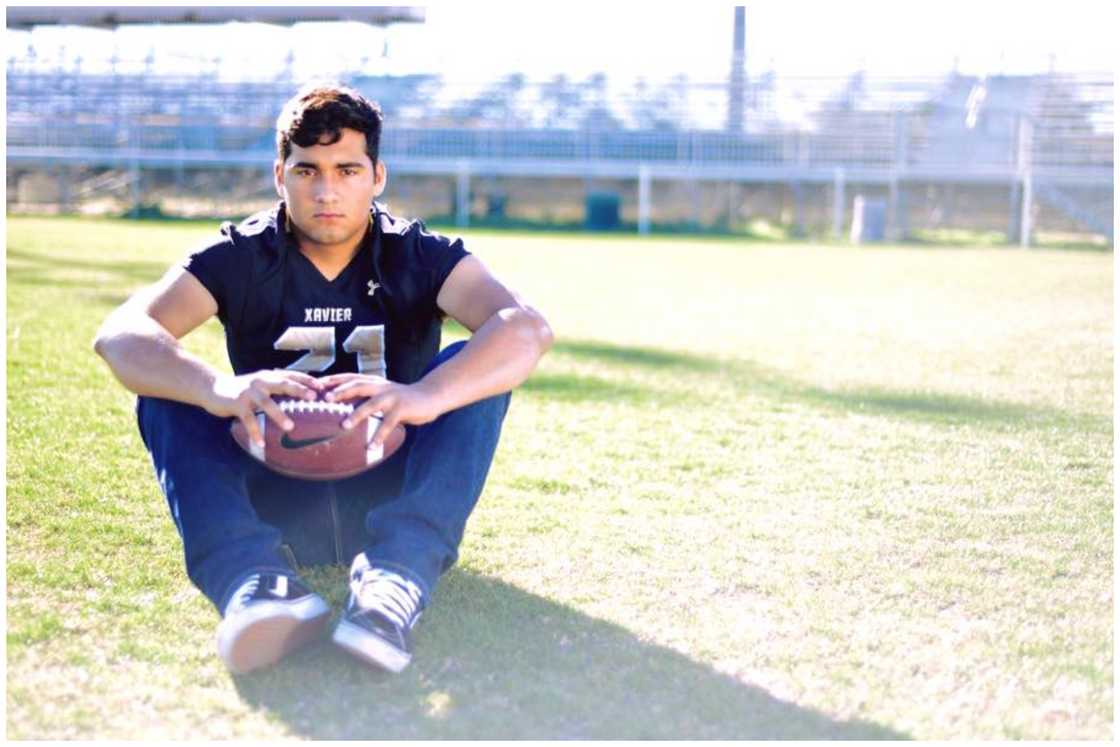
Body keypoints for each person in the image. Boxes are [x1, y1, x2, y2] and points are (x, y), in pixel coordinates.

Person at [93, 83, 553, 675]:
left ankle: (395, 578)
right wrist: (216, 388)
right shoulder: (240, 254)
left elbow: (525, 329)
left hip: (389, 489)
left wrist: (421, 396)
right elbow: (121, 333)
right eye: (307, 169)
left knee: (477, 367)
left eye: (347, 169)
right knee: (169, 390)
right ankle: (254, 581)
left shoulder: (417, 254)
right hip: (273, 491)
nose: (327, 189)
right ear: (279, 174)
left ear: (377, 176)